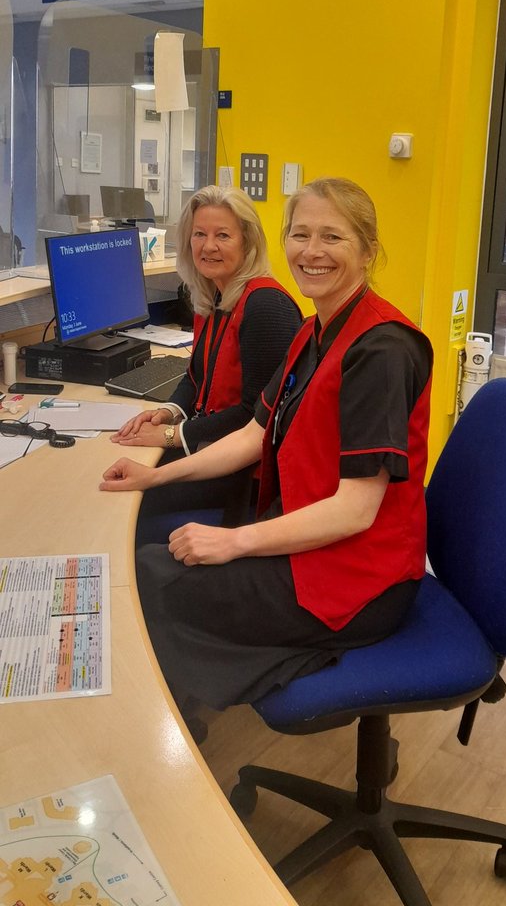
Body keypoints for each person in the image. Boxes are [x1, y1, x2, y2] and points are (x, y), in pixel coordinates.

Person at [101, 177, 433, 713]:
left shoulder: (382, 350)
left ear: (368, 251)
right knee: (152, 564)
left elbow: (355, 510)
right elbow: (253, 435)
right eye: (300, 235)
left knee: (153, 579)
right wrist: (155, 475)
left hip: (361, 577)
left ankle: (173, 732)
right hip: (308, 536)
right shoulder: (312, 332)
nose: (312, 251)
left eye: (332, 237)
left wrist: (234, 542)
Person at [113, 184, 302, 540]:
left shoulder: (265, 307)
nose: (208, 245)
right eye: (199, 234)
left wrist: (173, 436)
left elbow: (256, 417)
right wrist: (168, 412)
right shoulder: (214, 295)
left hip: (245, 477)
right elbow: (196, 376)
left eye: (222, 235)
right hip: (211, 448)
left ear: (248, 242)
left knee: (132, 505)